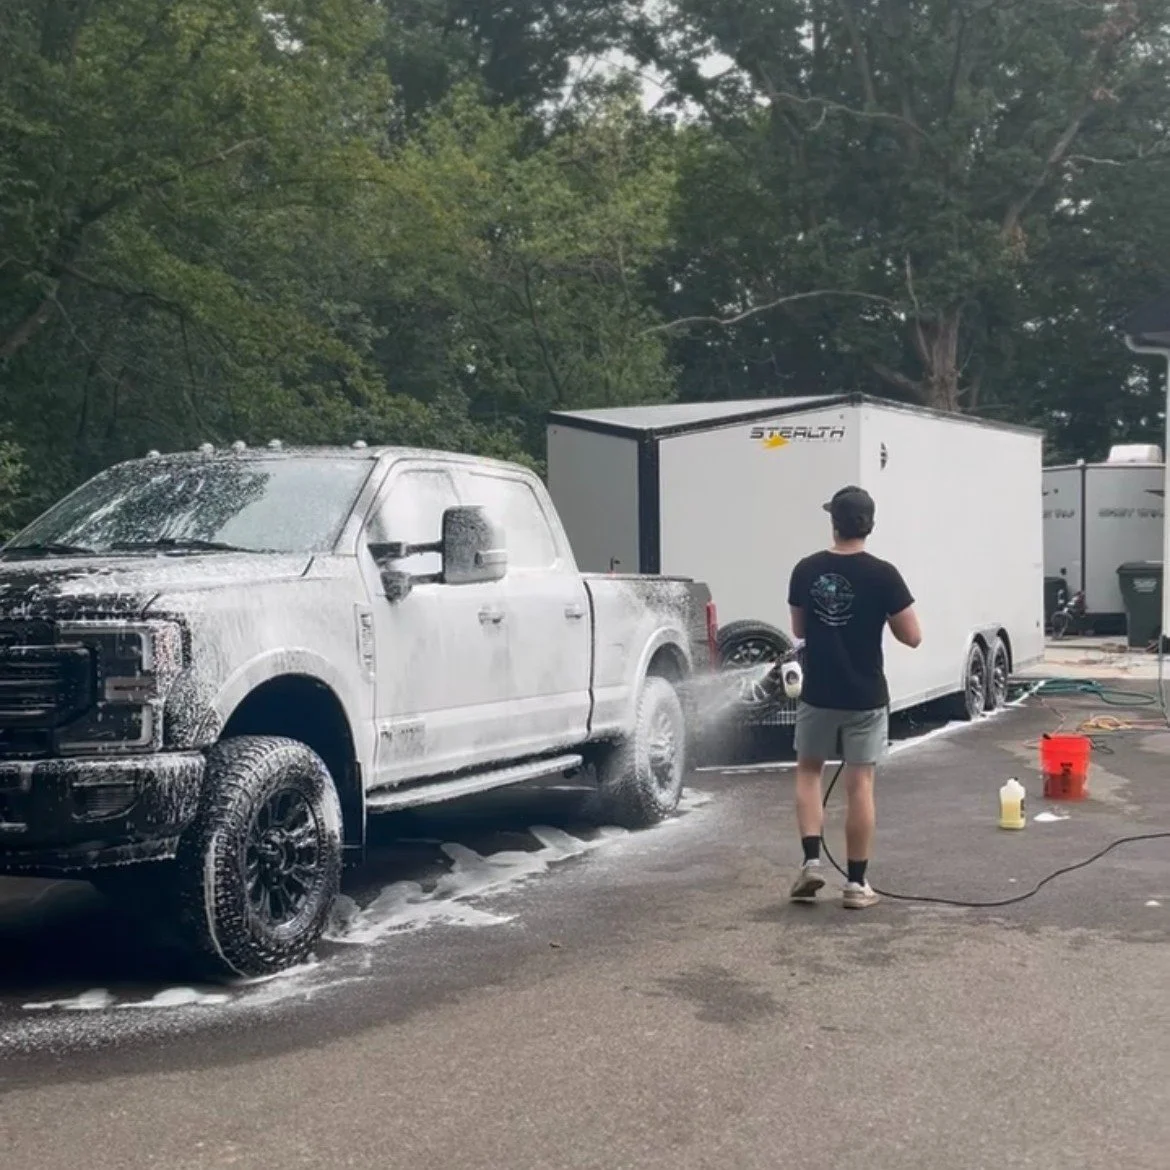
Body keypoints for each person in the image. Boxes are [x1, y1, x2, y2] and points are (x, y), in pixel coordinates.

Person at [785, 485, 921, 909]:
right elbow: (912, 636)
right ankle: (857, 885)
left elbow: (801, 630)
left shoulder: (806, 569)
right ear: (870, 525)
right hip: (865, 695)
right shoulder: (884, 575)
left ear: (834, 523)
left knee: (809, 772)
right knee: (859, 784)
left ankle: (811, 862)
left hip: (819, 691)